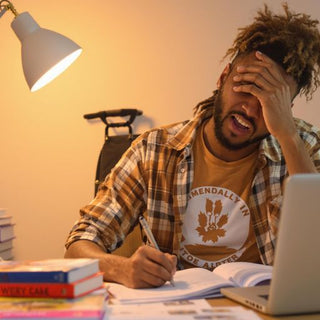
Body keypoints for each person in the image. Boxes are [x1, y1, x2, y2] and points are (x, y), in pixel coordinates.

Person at [65, 4, 320, 289]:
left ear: (286, 108)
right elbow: (79, 245)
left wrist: (287, 135)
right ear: (223, 77)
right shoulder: (154, 150)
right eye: (246, 85)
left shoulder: (305, 147)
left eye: (269, 100)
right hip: (176, 307)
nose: (250, 108)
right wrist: (121, 268)